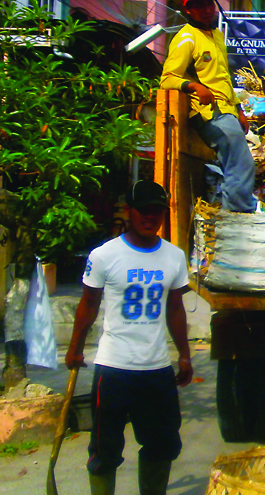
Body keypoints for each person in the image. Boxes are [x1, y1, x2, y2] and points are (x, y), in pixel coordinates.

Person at [66, 181, 192, 495]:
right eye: (143, 211)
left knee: (162, 444)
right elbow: (88, 304)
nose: (150, 217)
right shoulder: (105, 255)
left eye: (157, 211)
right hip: (113, 369)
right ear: (130, 212)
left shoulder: (174, 257)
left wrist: (185, 355)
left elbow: (175, 308)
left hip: (157, 369)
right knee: (105, 449)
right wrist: (74, 349)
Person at [160, 0, 256, 212]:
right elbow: (166, 78)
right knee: (241, 162)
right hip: (207, 113)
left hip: (226, 111)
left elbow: (223, 79)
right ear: (187, 10)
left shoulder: (216, 36)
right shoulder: (187, 38)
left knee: (239, 162)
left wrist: (239, 111)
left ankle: (233, 212)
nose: (207, 9)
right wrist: (193, 87)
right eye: (199, 5)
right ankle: (240, 215)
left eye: (209, 3)